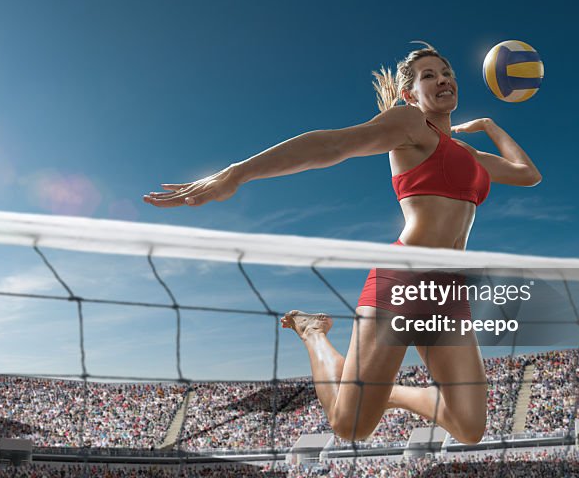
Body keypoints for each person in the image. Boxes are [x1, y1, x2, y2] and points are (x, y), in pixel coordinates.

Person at [143, 42, 541, 444]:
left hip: (448, 289)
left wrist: (489, 125)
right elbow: (333, 145)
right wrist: (238, 172)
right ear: (409, 95)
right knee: (349, 426)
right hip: (404, 281)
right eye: (429, 75)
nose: (443, 79)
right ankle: (313, 331)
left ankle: (386, 394)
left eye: (447, 72)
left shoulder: (467, 154)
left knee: (469, 426)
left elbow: (527, 174)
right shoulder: (408, 126)